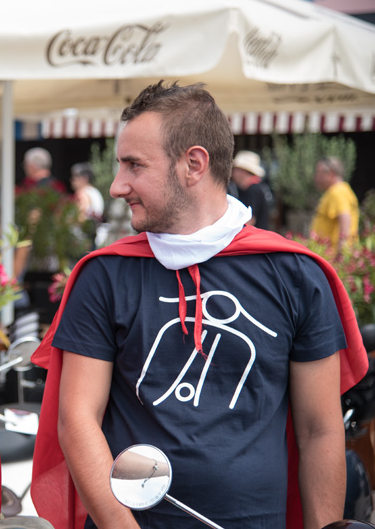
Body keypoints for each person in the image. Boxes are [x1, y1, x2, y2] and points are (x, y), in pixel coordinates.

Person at [30, 81, 368, 529]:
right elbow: (77, 421)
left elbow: (320, 430)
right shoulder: (104, 274)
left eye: (134, 165)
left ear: (193, 164)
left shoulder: (296, 274)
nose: (116, 186)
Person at [310, 156, 359, 255]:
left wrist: (340, 253)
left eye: (319, 173)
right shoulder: (341, 190)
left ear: (331, 174)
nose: (316, 177)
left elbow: (345, 219)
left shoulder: (337, 192)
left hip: (333, 258)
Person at [229, 150, 272, 230]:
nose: (233, 173)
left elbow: (249, 220)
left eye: (236, 169)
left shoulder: (253, 190)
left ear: (244, 171)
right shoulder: (253, 188)